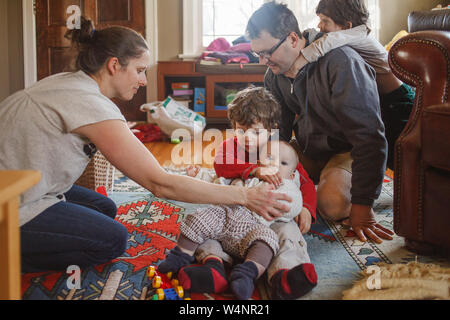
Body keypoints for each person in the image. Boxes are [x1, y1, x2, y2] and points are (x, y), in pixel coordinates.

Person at [0, 17, 292, 273]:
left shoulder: (70, 84)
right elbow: (160, 183)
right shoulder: (90, 104)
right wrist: (244, 197)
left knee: (103, 207)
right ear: (114, 65)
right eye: (139, 70)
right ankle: (7, 259)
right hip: (11, 200)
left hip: (22, 183)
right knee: (112, 240)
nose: (142, 81)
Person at [246, 2, 395, 245]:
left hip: (346, 150)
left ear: (293, 39)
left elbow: (369, 136)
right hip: (308, 147)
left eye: (267, 52)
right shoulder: (274, 75)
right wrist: (265, 166)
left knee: (331, 204)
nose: (263, 61)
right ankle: (308, 188)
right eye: (257, 54)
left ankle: (330, 188)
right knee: (258, 169)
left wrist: (362, 206)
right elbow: (278, 133)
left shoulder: (342, 62)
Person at [163, 87, 318, 300]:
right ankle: (213, 266)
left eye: (255, 132)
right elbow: (220, 167)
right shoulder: (230, 146)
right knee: (207, 227)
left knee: (288, 233)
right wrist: (253, 169)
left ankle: (285, 275)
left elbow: (305, 181)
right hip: (232, 213)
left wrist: (308, 208)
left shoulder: (281, 151)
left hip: (268, 221)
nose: (246, 138)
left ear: (272, 129)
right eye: (240, 130)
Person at [159, 140, 310, 300]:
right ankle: (192, 258)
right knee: (199, 218)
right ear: (259, 162)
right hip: (224, 216)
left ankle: (247, 273)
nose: (275, 165)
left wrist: (277, 200)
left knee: (268, 240)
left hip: (253, 228)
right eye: (270, 159)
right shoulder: (250, 174)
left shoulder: (287, 186)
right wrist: (199, 175)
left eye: (283, 163)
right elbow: (219, 180)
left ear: (292, 175)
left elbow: (293, 205)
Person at [295, 0, 415, 170]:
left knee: (402, 155)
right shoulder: (347, 35)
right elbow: (317, 36)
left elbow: (324, 43)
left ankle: (409, 189)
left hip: (398, 100)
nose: (320, 26)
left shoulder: (358, 34)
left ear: (346, 26)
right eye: (319, 20)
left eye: (325, 21)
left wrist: (298, 63)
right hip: (383, 101)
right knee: (388, 151)